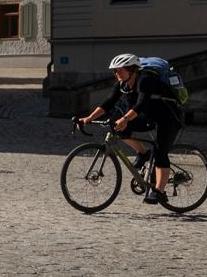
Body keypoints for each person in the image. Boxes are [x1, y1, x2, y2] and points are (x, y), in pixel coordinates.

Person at [75, 54, 184, 204]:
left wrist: (125, 118)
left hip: (169, 118)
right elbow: (109, 102)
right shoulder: (123, 84)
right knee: (118, 129)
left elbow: (141, 104)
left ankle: (159, 192)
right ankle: (143, 153)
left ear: (132, 70)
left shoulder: (145, 80)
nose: (116, 74)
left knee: (160, 152)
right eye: (114, 71)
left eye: (119, 70)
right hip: (148, 116)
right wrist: (88, 118)